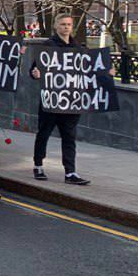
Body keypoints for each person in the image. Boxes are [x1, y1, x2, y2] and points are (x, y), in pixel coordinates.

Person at [29, 13, 90, 185]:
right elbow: (34, 70)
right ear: (56, 26)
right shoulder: (48, 46)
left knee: (69, 137)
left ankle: (70, 172)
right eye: (63, 24)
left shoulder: (77, 48)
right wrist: (36, 74)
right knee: (44, 133)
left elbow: (87, 72)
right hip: (51, 99)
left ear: (72, 27)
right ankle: (38, 165)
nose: (66, 27)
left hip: (70, 101)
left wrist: (107, 73)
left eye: (69, 24)